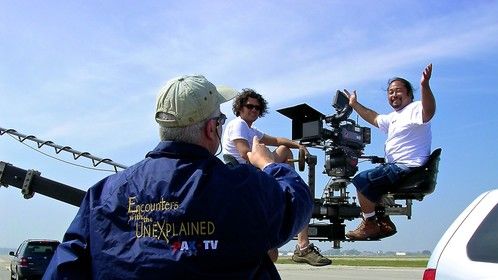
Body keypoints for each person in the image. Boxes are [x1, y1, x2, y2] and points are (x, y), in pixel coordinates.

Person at [43, 75, 313, 279]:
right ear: (211, 129)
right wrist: (269, 165)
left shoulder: (104, 194)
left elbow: (64, 267)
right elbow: (297, 202)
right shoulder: (243, 187)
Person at [222, 89, 332, 267]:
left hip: (255, 171)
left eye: (257, 108)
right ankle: (301, 243)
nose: (254, 110)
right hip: (242, 175)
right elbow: (245, 154)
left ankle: (288, 190)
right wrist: (268, 166)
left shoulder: (252, 130)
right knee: (294, 196)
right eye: (249, 106)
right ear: (240, 108)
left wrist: (299, 145)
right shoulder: (238, 124)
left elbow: (278, 140)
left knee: (284, 150)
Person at [344, 64, 436, 240]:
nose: (393, 95)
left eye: (398, 91)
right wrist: (354, 104)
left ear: (409, 94)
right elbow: (373, 117)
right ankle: (383, 221)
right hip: (397, 167)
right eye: (390, 92)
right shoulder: (394, 117)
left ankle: (370, 224)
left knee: (360, 180)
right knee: (373, 182)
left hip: (408, 167)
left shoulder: (416, 108)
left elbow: (429, 111)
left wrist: (425, 85)